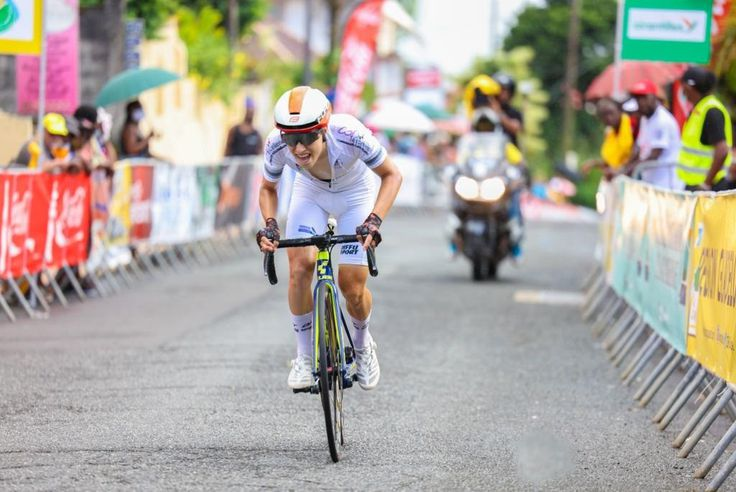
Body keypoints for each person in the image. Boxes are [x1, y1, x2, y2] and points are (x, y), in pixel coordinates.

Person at [256, 86, 402, 391]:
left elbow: (392, 175)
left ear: (324, 129)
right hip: (311, 193)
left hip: (355, 194)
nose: (298, 148)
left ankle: (362, 345)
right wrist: (270, 224)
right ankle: (304, 357)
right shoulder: (275, 144)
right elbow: (268, 189)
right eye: (291, 139)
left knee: (351, 286)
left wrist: (373, 221)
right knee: (299, 268)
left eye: (307, 137)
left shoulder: (349, 133)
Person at [677, 66, 733, 191]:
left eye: (683, 86)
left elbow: (722, 150)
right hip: (695, 185)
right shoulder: (700, 108)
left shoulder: (711, 111)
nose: (683, 92)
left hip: (708, 188)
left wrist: (706, 183)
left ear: (689, 87)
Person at [623, 80, 682, 189]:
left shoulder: (662, 120)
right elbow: (639, 148)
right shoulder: (645, 118)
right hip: (651, 182)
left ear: (653, 97)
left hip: (667, 184)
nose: (640, 102)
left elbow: (655, 155)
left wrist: (631, 169)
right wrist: (624, 168)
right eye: (637, 98)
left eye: (643, 98)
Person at [582, 98, 634, 181]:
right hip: (618, 178)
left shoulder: (632, 125)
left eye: (610, 113)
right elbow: (610, 163)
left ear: (619, 110)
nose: (608, 118)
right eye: (603, 115)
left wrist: (619, 171)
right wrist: (593, 163)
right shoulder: (610, 133)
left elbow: (636, 155)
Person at [491, 72, 524, 147]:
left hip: (509, 151)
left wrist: (498, 112)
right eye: (501, 90)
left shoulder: (514, 112)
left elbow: (516, 128)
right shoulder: (486, 111)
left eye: (507, 91)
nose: (504, 95)